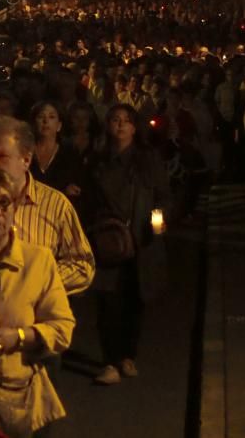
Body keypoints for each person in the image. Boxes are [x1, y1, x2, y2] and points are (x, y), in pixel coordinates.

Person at [0, 166, 75, 437]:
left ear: (15, 206)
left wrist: (18, 337)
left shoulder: (37, 261)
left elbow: (63, 327)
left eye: (4, 203)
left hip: (18, 401)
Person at [87, 104, 173, 385]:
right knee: (108, 301)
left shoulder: (147, 160)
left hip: (140, 238)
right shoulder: (98, 160)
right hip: (109, 238)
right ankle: (110, 360)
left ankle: (128, 355)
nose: (121, 126)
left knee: (135, 301)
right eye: (115, 120)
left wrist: (159, 221)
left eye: (126, 121)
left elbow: (163, 195)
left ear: (135, 127)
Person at [0, 116, 94, 297]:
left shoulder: (55, 205)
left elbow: (82, 265)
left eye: (1, 157)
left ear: (25, 160)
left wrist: (36, 280)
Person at [28, 101, 82, 200]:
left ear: (59, 125)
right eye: (41, 117)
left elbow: (76, 188)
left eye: (51, 117)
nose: (46, 121)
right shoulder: (24, 151)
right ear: (33, 124)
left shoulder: (69, 152)